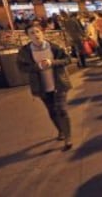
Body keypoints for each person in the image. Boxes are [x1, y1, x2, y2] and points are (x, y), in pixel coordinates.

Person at [17, 23, 73, 151]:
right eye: (32, 33)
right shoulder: (25, 51)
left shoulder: (54, 47)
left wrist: (52, 62)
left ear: (42, 32)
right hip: (41, 87)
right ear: (28, 36)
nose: (35, 35)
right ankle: (61, 131)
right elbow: (21, 67)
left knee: (62, 110)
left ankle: (68, 138)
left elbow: (67, 59)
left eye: (37, 31)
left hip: (59, 83)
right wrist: (37, 67)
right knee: (52, 111)